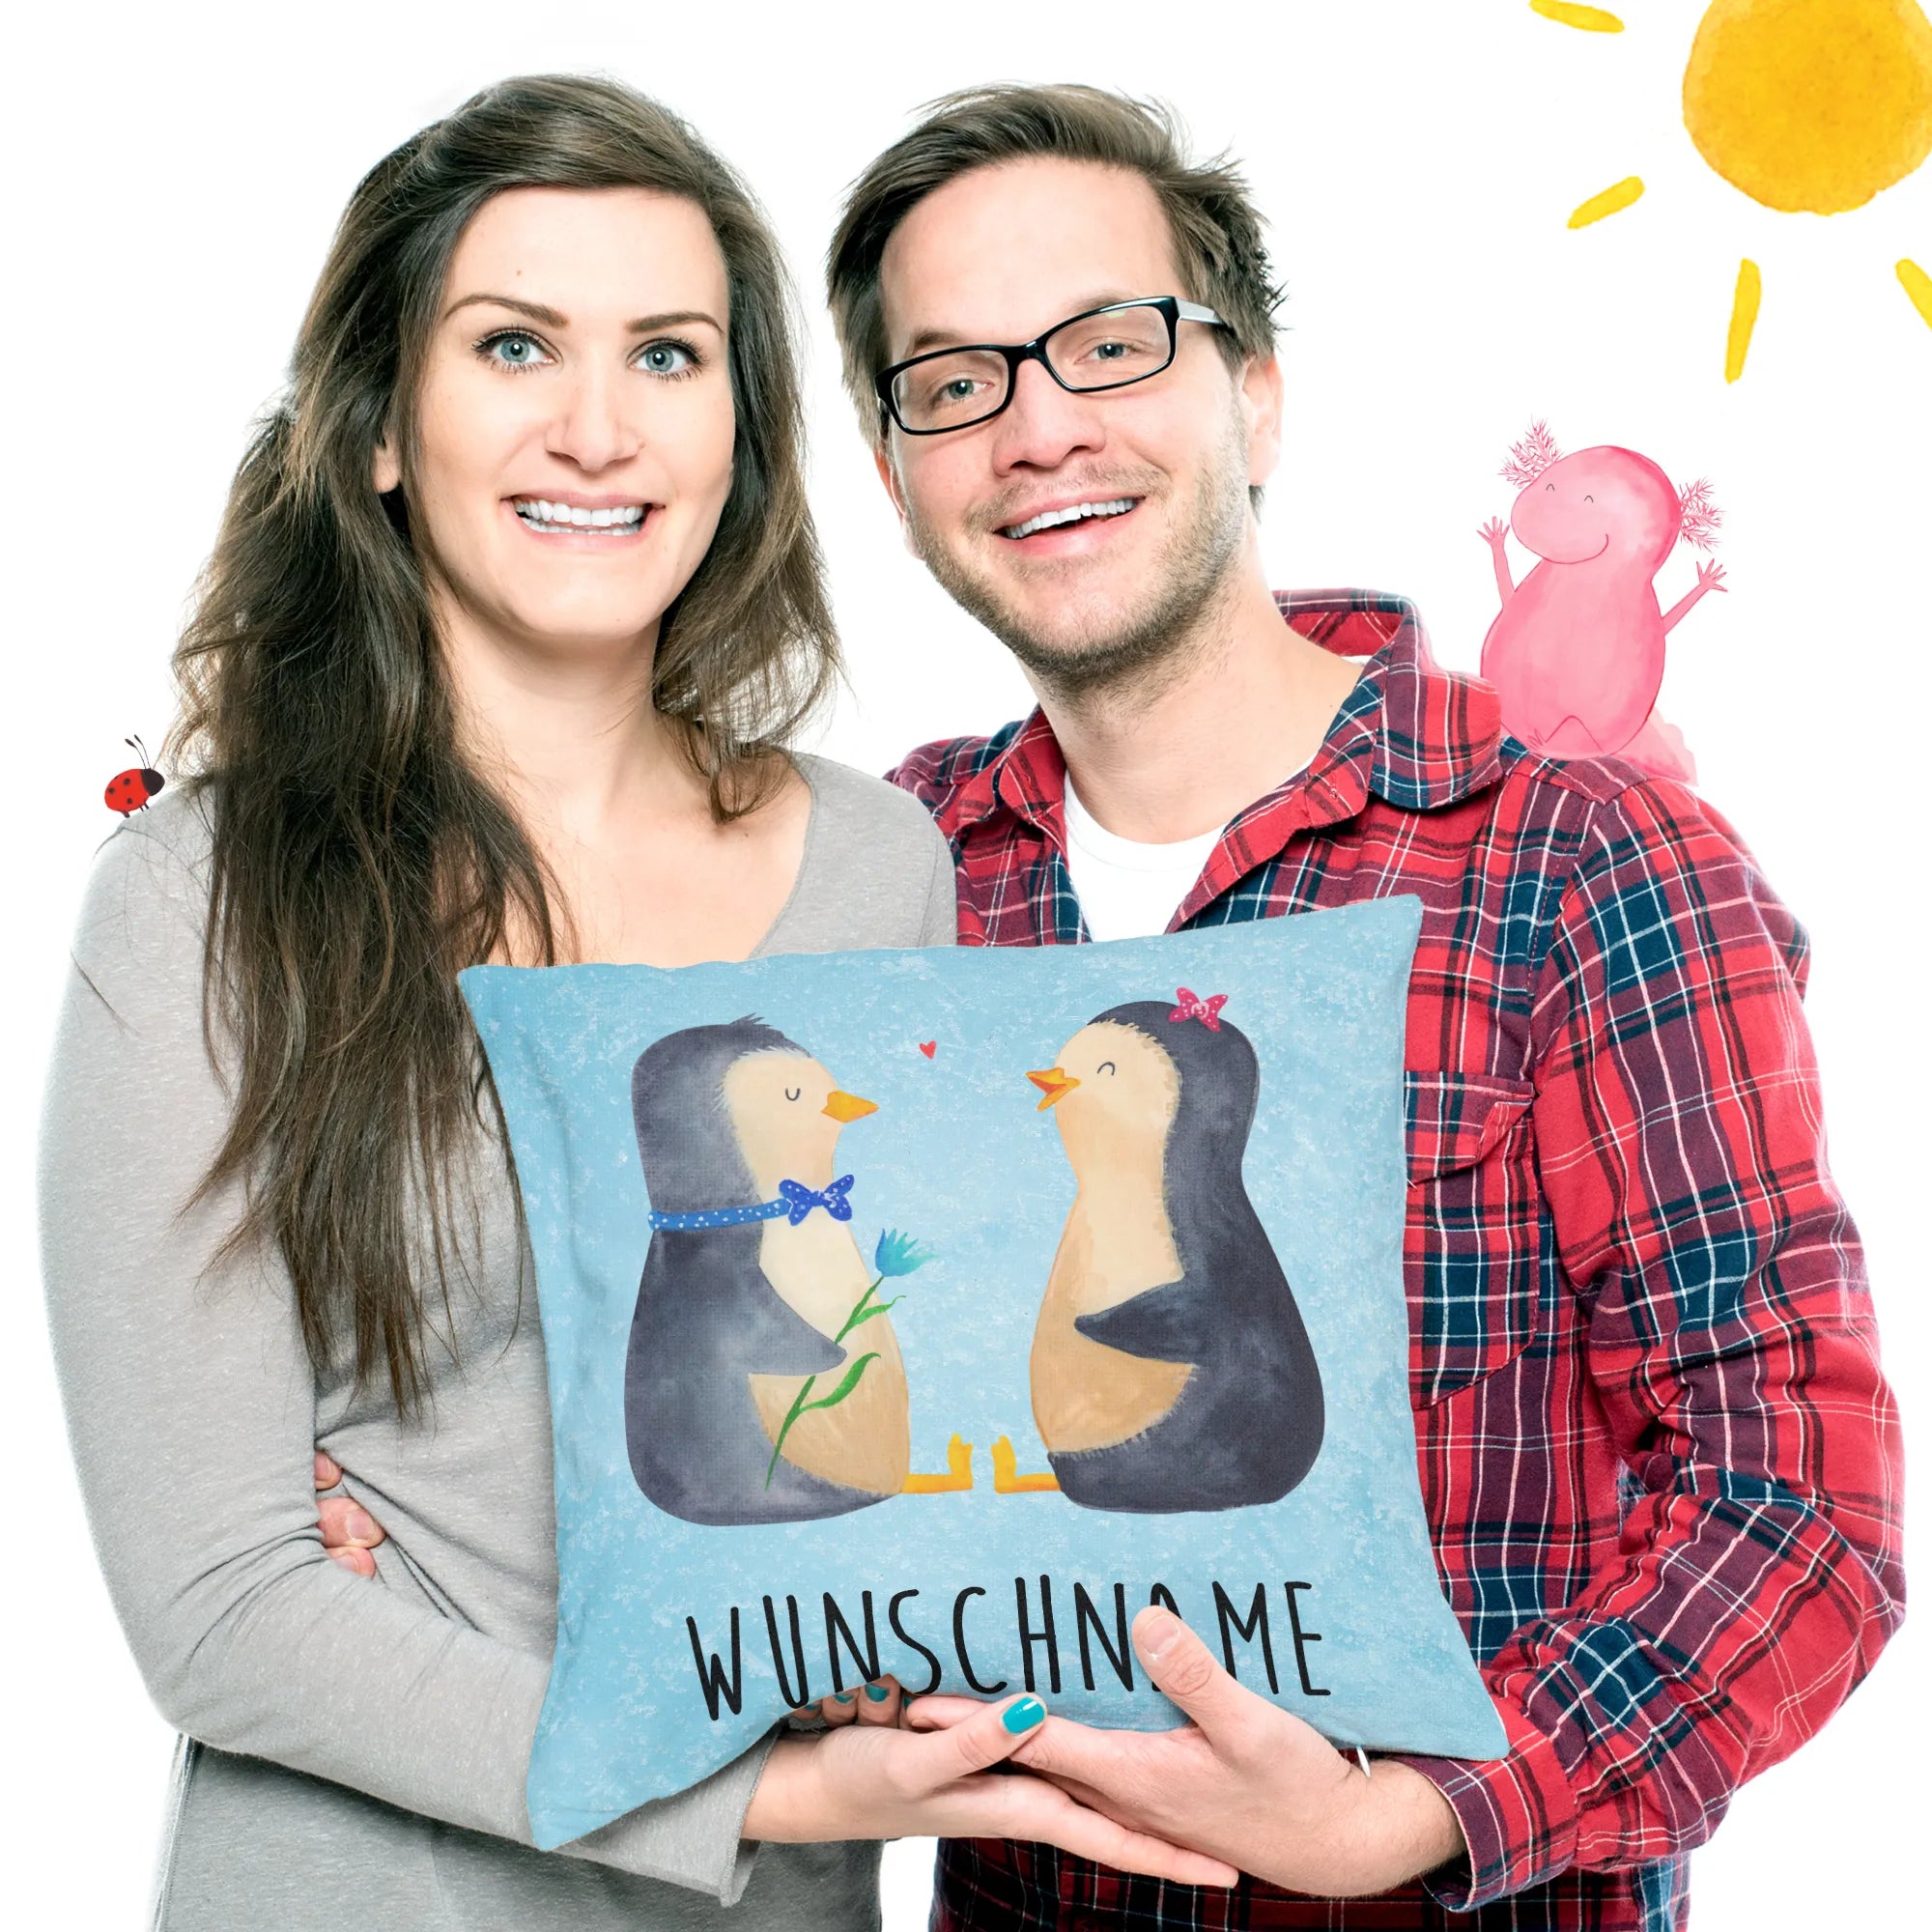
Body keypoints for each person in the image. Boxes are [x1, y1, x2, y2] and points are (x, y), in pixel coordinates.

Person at [39, 74, 1236, 1932]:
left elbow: (893, 1444)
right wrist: (765, 1784)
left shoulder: (882, 866)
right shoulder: (203, 897)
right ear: (381, 425)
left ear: (741, 433)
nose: (597, 430)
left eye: (668, 355)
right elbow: (219, 1612)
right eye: (514, 344)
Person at [817, 85, 1905, 1930]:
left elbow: (1799, 1512)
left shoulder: (1583, 861)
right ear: (896, 468)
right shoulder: (895, 870)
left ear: (1254, 395)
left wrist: (1411, 1814)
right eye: (954, 380)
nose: (1038, 426)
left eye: (1107, 342)